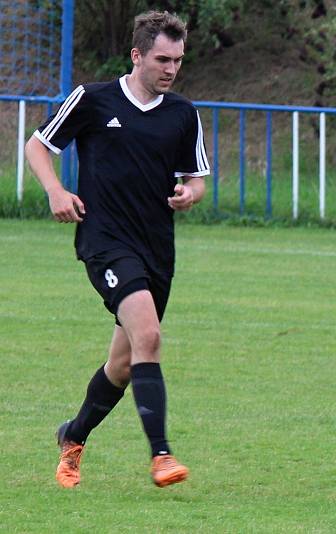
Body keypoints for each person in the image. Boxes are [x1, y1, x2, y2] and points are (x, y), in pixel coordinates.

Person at [25, 10, 209, 488]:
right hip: (105, 242)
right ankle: (162, 455)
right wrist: (55, 192)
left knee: (125, 363)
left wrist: (189, 194)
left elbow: (197, 178)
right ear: (137, 55)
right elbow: (37, 146)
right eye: (162, 59)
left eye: (178, 60)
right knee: (148, 337)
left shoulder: (183, 114)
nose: (171, 69)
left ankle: (73, 435)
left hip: (157, 250)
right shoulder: (93, 98)